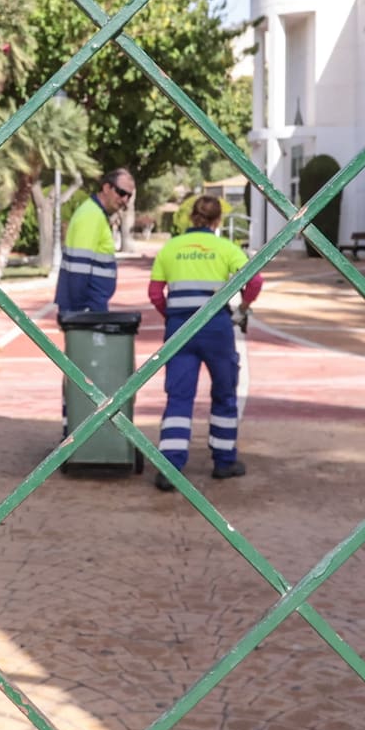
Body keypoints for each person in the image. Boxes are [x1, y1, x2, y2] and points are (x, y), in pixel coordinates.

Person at [148, 194, 263, 492]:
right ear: (217, 220)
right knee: (224, 393)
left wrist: (171, 316)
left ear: (191, 217)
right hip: (216, 327)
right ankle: (224, 462)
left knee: (178, 397)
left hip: (180, 329)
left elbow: (155, 292)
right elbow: (255, 280)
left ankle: (169, 468)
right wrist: (243, 307)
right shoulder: (226, 248)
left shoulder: (170, 248)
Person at [54, 167, 136, 317]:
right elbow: (79, 267)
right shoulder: (91, 215)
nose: (125, 200)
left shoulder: (95, 214)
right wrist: (81, 313)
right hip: (86, 306)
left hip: (90, 304)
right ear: (106, 188)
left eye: (129, 196)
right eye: (121, 192)